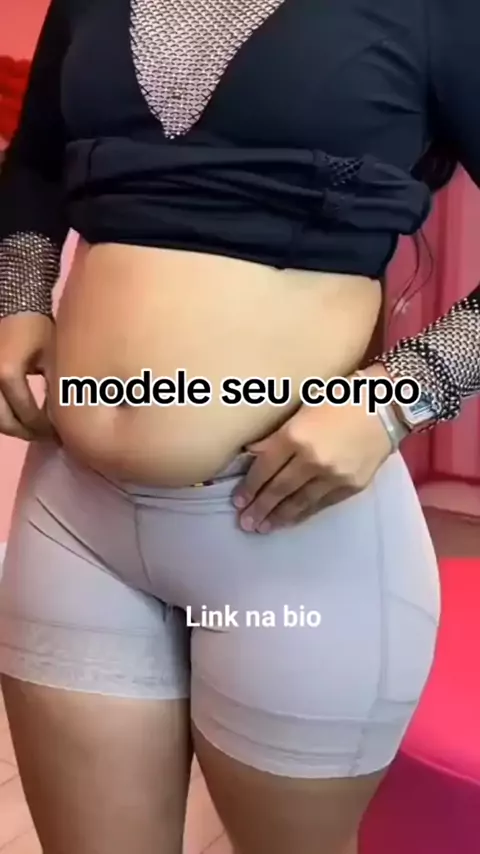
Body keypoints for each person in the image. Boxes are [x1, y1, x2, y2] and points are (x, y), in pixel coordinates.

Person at [0, 0, 478, 852]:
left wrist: (401, 395)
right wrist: (18, 297)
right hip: (72, 519)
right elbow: (36, 161)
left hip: (290, 539)